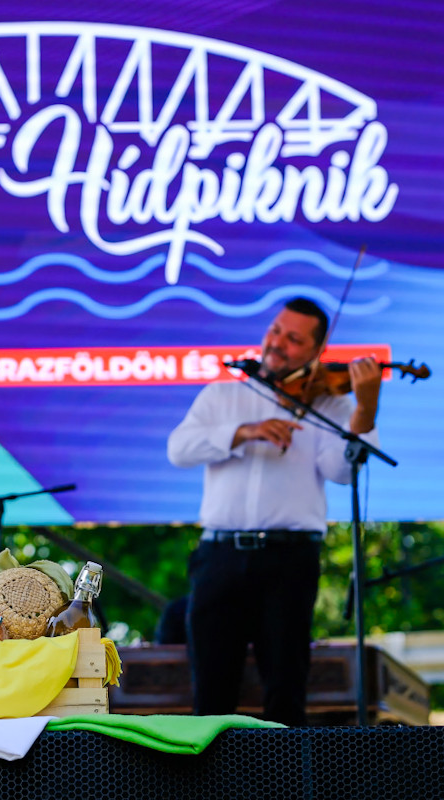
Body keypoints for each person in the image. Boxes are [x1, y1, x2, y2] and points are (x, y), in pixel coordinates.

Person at [166, 297, 381, 726]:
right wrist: (244, 432)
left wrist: (365, 409)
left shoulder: (330, 405)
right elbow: (179, 449)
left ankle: (284, 771)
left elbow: (341, 470)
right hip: (219, 556)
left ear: (317, 352)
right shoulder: (224, 394)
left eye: (294, 339)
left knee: (286, 692)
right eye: (276, 331)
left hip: (289, 558)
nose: (278, 343)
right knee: (211, 693)